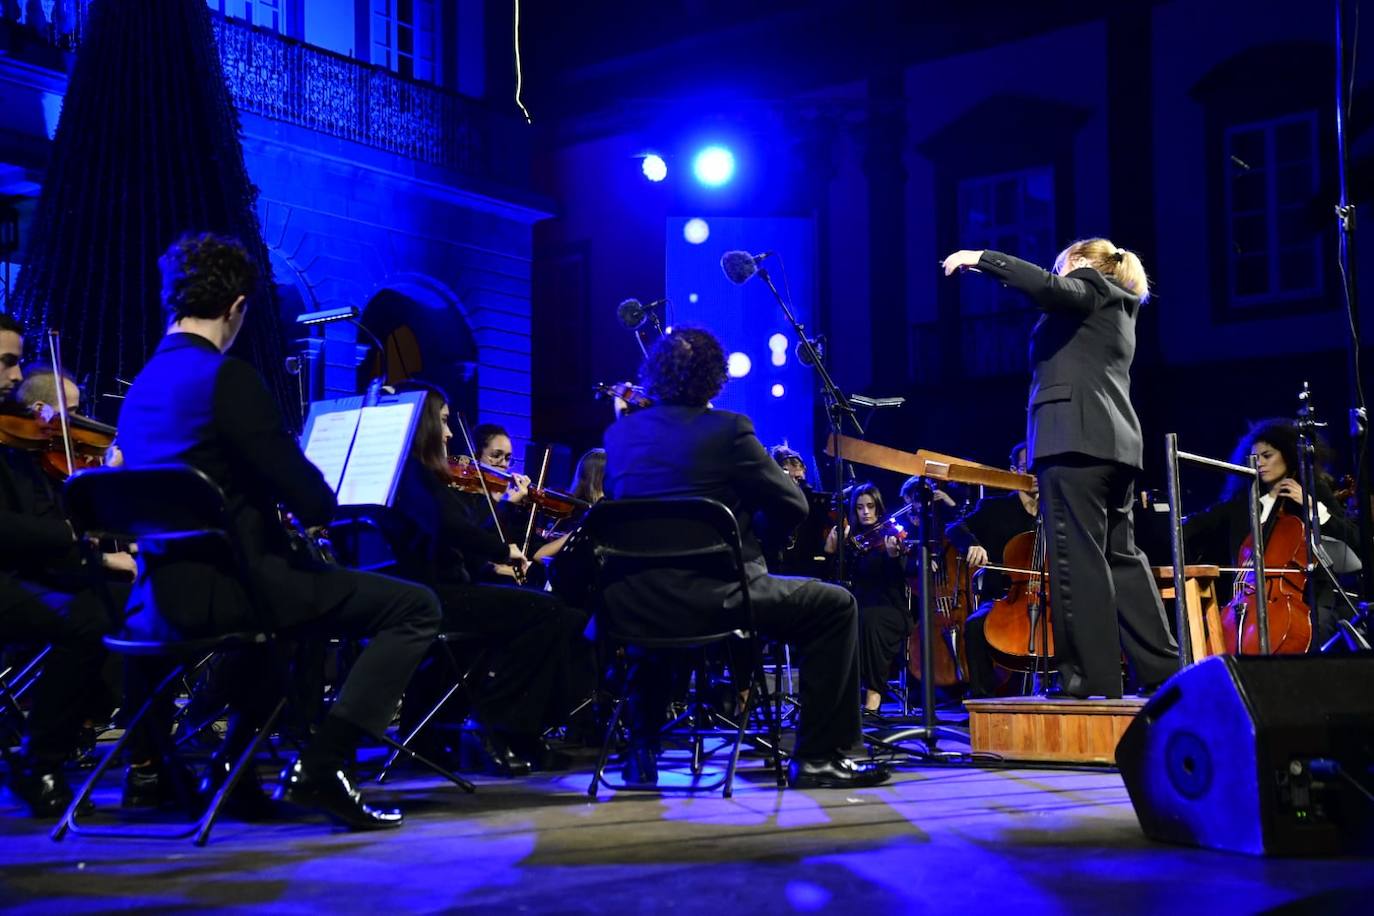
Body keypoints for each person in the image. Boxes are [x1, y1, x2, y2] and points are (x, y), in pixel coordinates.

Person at [116, 233, 442, 830]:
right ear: (237, 307)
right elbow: (313, 499)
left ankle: (234, 777)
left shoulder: (142, 389)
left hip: (158, 594)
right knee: (413, 606)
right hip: (237, 588)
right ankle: (324, 764)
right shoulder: (227, 380)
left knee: (291, 625)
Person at [602, 325, 888, 789]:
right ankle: (818, 757)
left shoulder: (620, 437)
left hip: (634, 601)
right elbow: (793, 505)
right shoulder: (728, 430)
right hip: (717, 596)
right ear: (716, 378)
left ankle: (640, 752)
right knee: (837, 605)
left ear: (653, 373)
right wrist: (754, 538)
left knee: (657, 614)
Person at [943, 239, 1178, 699]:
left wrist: (981, 259)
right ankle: (1165, 671)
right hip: (1114, 444)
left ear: (1079, 264)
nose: (1060, 273)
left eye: (1062, 266)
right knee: (1120, 559)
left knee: (1076, 560)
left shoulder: (1090, 284)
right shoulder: (1120, 303)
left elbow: (1051, 289)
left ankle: (1091, 677)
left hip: (1073, 442)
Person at [384, 382, 592, 774]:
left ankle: (503, 732)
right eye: (442, 422)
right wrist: (502, 549)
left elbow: (450, 530)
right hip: (433, 595)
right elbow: (451, 526)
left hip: (435, 589)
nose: (448, 434)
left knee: (556, 616)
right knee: (547, 613)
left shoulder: (409, 471)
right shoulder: (417, 473)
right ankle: (493, 724)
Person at [0, 313, 131, 817]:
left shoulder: (15, 440)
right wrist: (75, 536)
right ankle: (40, 761)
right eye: (7, 363)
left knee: (119, 599)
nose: (15, 376)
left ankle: (141, 750)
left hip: (21, 570)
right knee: (88, 617)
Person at [1185, 419, 1359, 648]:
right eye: (1255, 458)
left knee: (1317, 626)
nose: (1260, 463)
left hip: (1308, 597)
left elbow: (1354, 538)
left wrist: (1311, 508)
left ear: (1287, 455)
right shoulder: (1241, 504)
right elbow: (1194, 527)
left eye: (1267, 456)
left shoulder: (1312, 492)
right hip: (1247, 602)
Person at [945, 441, 1040, 698]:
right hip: (1004, 600)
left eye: (1040, 467)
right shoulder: (994, 508)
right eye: (1028, 467)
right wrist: (972, 545)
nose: (1035, 474)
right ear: (1013, 471)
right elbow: (954, 528)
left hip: (1048, 601)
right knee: (975, 627)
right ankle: (983, 703)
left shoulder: (1054, 512)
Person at [824, 482, 908, 714]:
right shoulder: (852, 540)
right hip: (858, 607)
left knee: (869, 620)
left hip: (890, 608)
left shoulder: (890, 535)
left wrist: (893, 557)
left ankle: (873, 694)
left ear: (878, 508)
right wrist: (832, 553)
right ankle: (837, 696)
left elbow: (898, 579)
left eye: (870, 506)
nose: (866, 512)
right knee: (840, 622)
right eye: (860, 507)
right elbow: (837, 581)